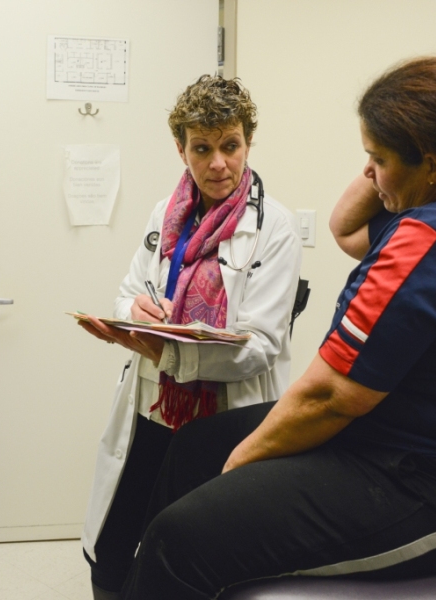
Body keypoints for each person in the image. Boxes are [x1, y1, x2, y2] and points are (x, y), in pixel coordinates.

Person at [117, 57, 436, 599]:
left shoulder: (433, 240)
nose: (370, 173)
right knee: (194, 447)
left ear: (430, 165)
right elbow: (345, 227)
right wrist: (390, 155)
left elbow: (331, 394)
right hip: (381, 439)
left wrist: (239, 467)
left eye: (376, 159)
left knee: (180, 537)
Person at [77, 75, 302, 600]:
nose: (218, 163)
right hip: (151, 408)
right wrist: (130, 310)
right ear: (181, 148)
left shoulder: (275, 228)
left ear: (248, 141)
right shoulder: (166, 213)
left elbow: (261, 346)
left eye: (230, 146)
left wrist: (171, 351)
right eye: (202, 148)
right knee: (111, 552)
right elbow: (129, 291)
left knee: (188, 556)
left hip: (222, 420)